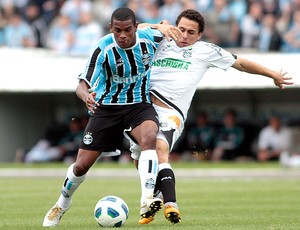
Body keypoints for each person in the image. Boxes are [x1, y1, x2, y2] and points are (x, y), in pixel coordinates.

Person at [129, 9, 293, 225]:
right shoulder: (161, 39)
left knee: (160, 150)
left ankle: (170, 203)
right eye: (181, 30)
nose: (185, 36)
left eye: (191, 32)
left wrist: (271, 73)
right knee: (139, 159)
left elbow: (240, 63)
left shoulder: (205, 50)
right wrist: (157, 26)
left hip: (171, 112)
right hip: (144, 109)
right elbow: (133, 30)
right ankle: (157, 194)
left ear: (200, 35)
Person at [42, 7, 182, 227]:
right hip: (107, 109)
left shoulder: (149, 39)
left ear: (136, 28)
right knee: (81, 166)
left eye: (127, 30)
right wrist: (86, 96)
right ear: (111, 28)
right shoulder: (103, 47)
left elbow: (162, 29)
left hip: (139, 105)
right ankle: (62, 204)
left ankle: (147, 198)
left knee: (149, 137)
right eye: (118, 30)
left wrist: (162, 25)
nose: (122, 35)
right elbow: (81, 85)